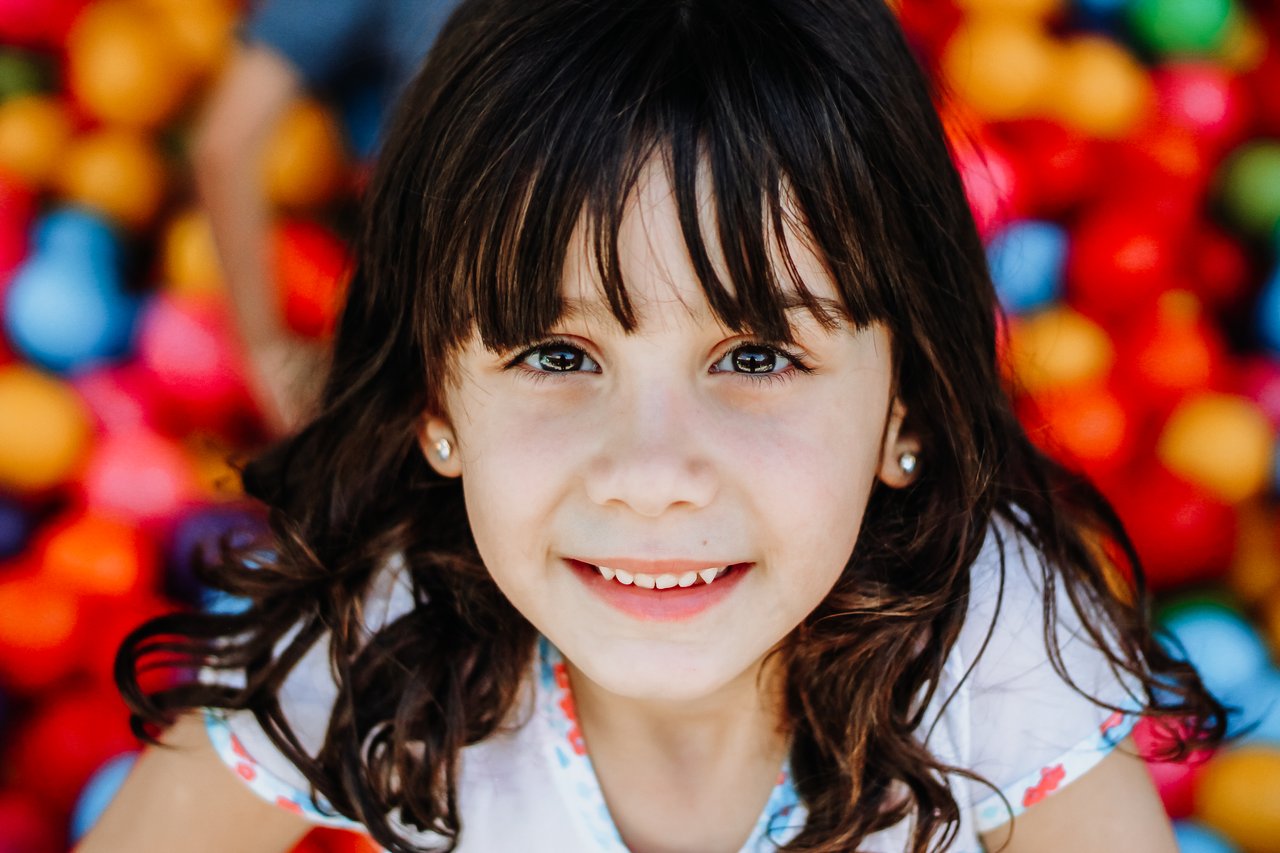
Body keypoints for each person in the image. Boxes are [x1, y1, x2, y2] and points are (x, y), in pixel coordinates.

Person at [83, 0, 1225, 850]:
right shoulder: (384, 637)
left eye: (757, 356)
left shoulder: (981, 640)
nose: (649, 475)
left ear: (905, 407)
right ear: (438, 408)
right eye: (556, 354)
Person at [191, 0, 460, 434]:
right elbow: (225, 150)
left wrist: (266, 355)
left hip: (435, 329)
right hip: (429, 327)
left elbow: (224, 147)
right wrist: (266, 354)